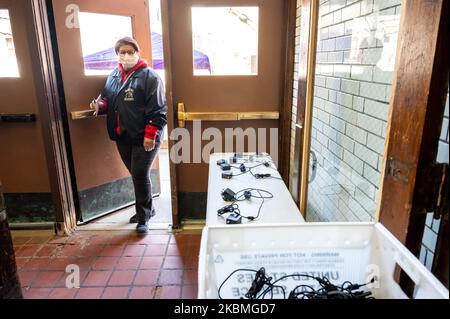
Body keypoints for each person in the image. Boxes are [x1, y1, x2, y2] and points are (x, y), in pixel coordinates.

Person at [90, 37, 167, 234]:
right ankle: (148, 208)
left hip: (145, 136)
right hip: (122, 135)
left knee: (140, 174)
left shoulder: (150, 77)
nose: (126, 55)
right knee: (136, 175)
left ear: (137, 53)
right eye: (122, 52)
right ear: (117, 55)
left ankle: (143, 217)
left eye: (130, 51)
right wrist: (100, 106)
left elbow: (159, 110)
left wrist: (151, 135)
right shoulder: (114, 76)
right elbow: (108, 100)